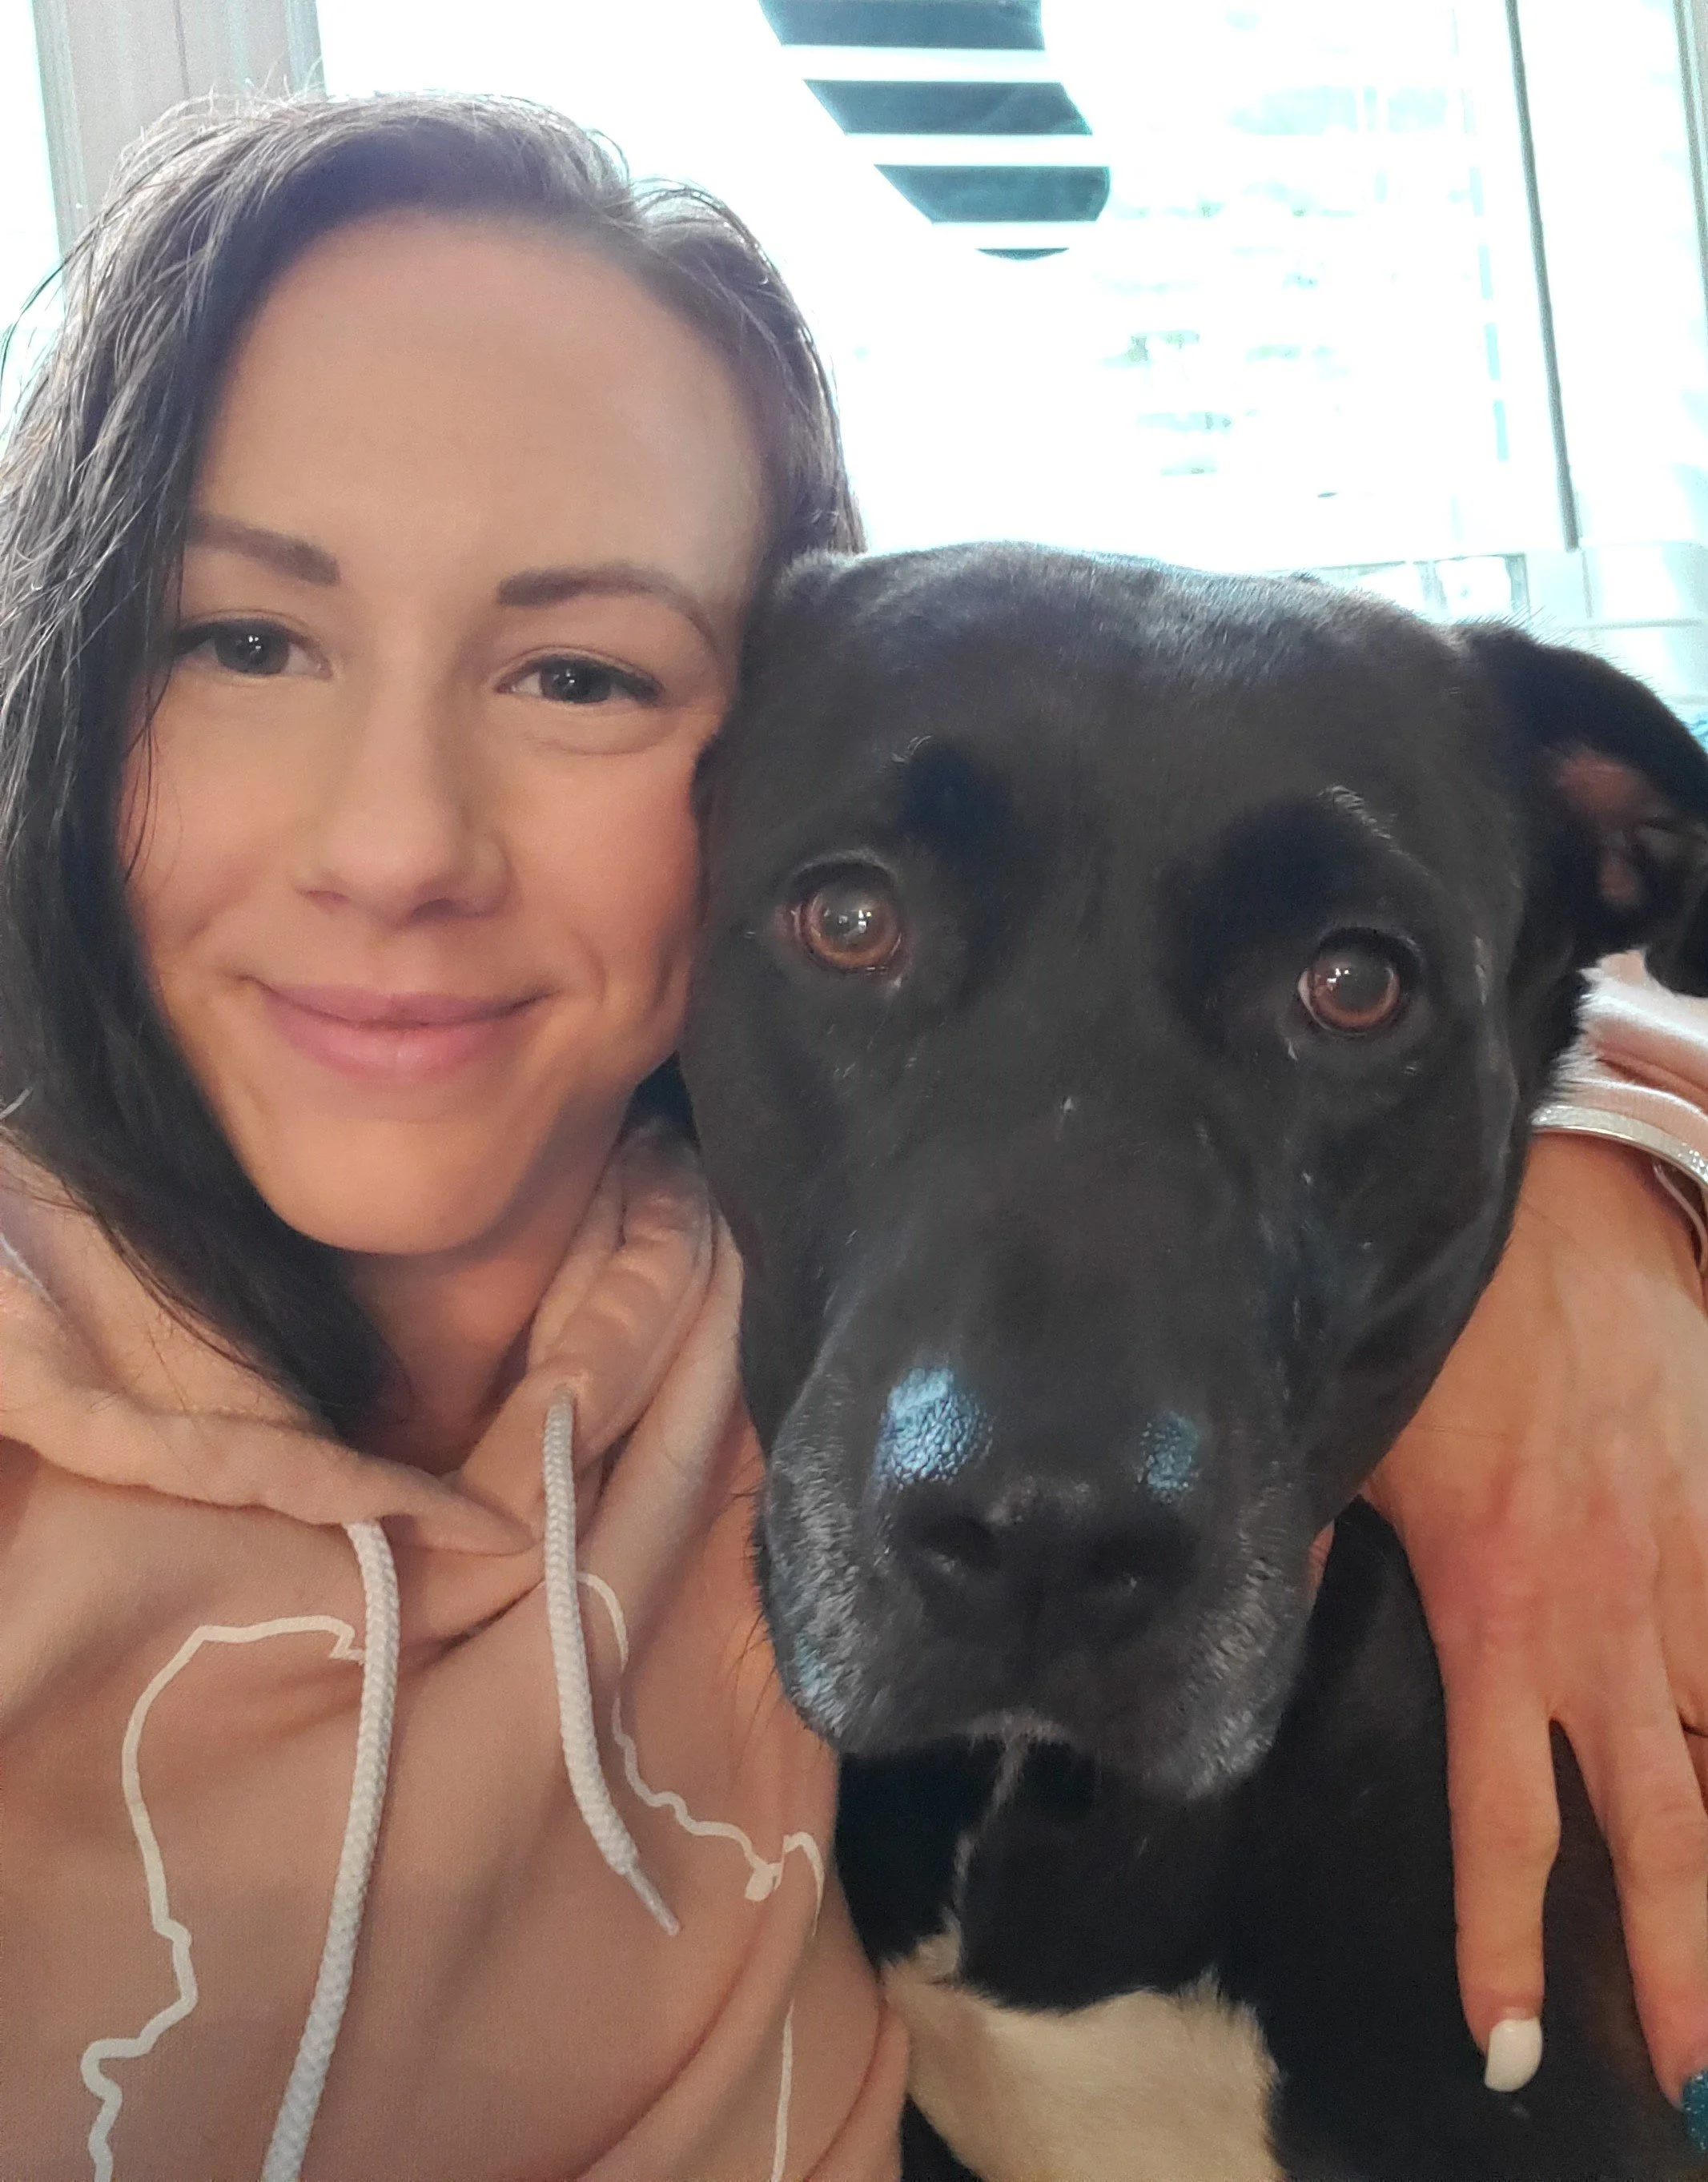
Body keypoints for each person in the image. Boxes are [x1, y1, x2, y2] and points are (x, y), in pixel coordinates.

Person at [0, 91, 1704, 2176]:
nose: (397, 845)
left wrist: (1603, 1183)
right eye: (243, 635)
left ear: (714, 768)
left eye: (574, 668)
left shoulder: (687, 1242)